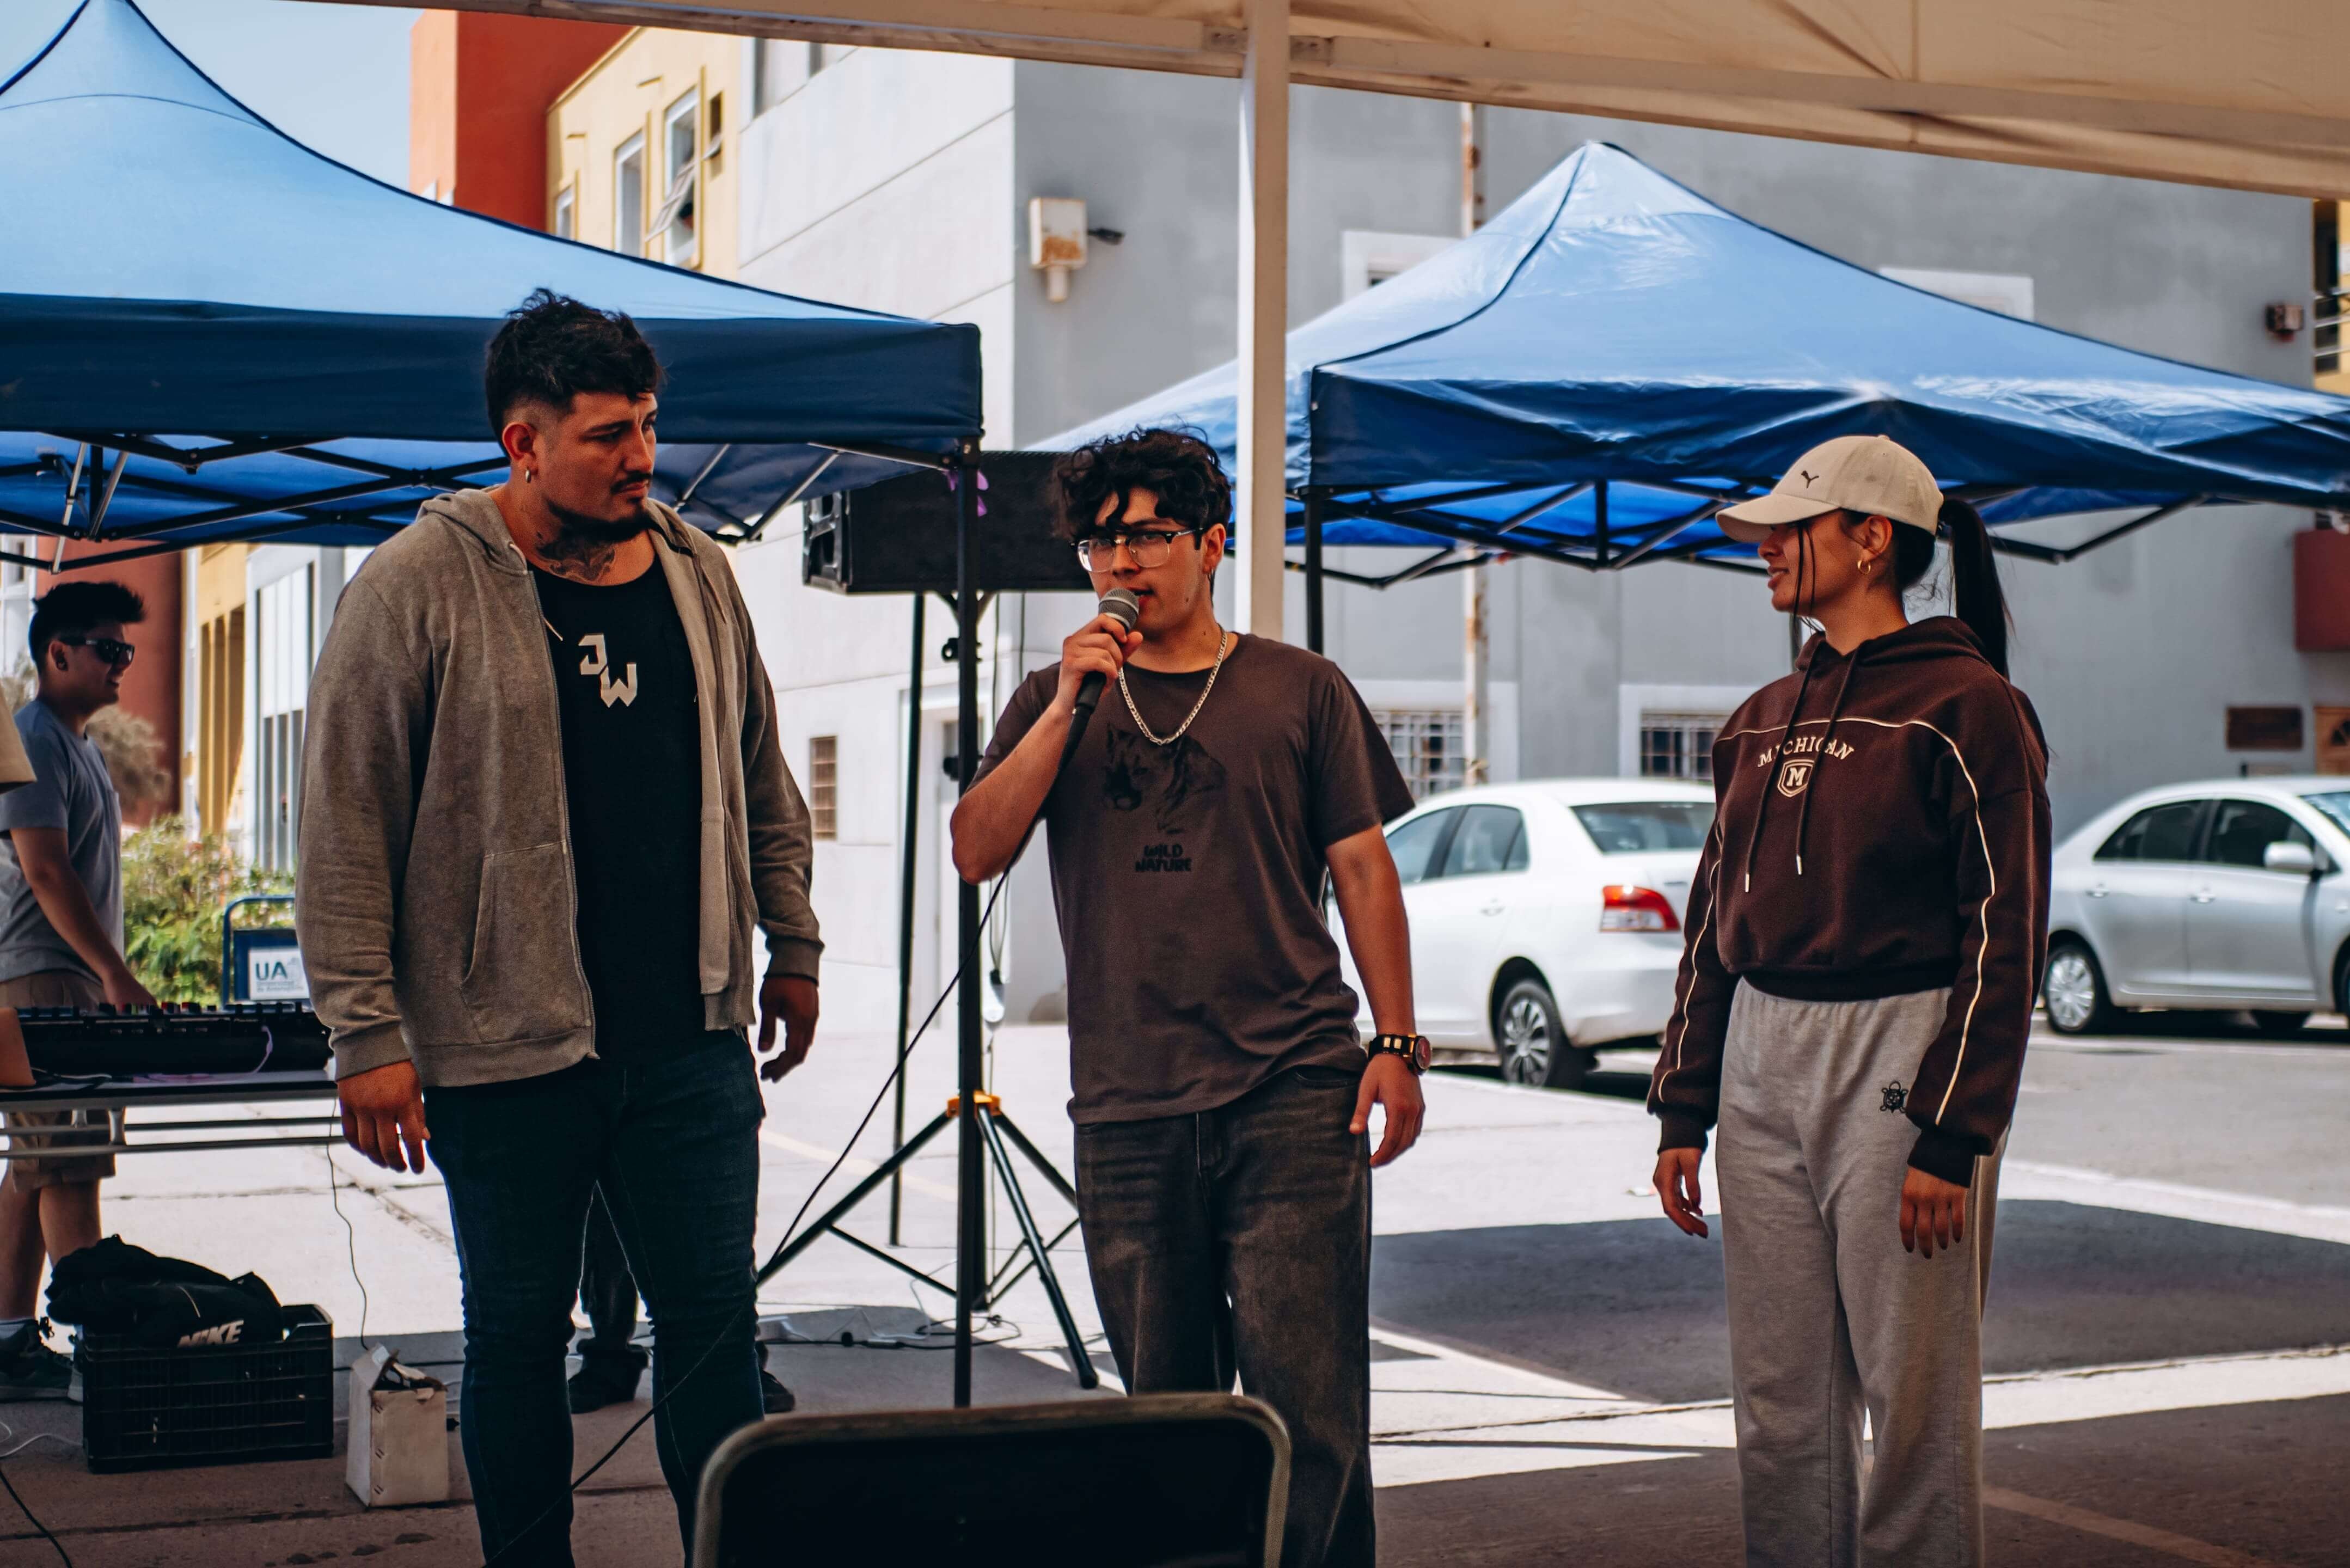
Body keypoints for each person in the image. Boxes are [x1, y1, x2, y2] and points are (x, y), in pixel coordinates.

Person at [297, 290, 822, 1566]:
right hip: (502, 1046)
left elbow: (761, 772)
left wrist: (793, 942)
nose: (642, 456)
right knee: (519, 1340)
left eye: (647, 425)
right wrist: (365, 1033)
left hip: (689, 1040)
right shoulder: (415, 584)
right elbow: (347, 819)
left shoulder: (698, 571)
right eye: (607, 435)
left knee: (714, 1335)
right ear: (523, 444)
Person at [951, 428, 1427, 1568]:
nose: (1122, 561)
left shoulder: (1300, 688)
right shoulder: (1054, 695)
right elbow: (974, 849)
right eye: (1099, 541)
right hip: (1129, 1106)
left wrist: (1398, 1043)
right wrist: (1067, 704)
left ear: (1211, 545)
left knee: (1310, 1415)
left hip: (1293, 1090)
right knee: (1166, 1421)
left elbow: (1364, 870)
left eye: (1149, 535)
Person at [1647, 434, 2051, 1567]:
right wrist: (1683, 1107)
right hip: (1757, 1062)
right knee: (1778, 1403)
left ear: (1872, 539)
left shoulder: (1971, 706)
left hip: (1900, 1054)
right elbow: (1712, 927)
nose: (1765, 549)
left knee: (1912, 1401)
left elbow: (2006, 930)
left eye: (1792, 528)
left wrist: (1953, 1131)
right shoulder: (1758, 717)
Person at [0, 581, 151, 1392]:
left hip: (59, 979)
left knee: (35, 1165)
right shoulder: (33, 738)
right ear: (58, 653)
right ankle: (101, 1353)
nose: (122, 663)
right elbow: (46, 869)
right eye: (108, 649)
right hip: (44, 977)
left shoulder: (75, 744)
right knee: (67, 1162)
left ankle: (8, 1339)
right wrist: (114, 972)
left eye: (126, 650)